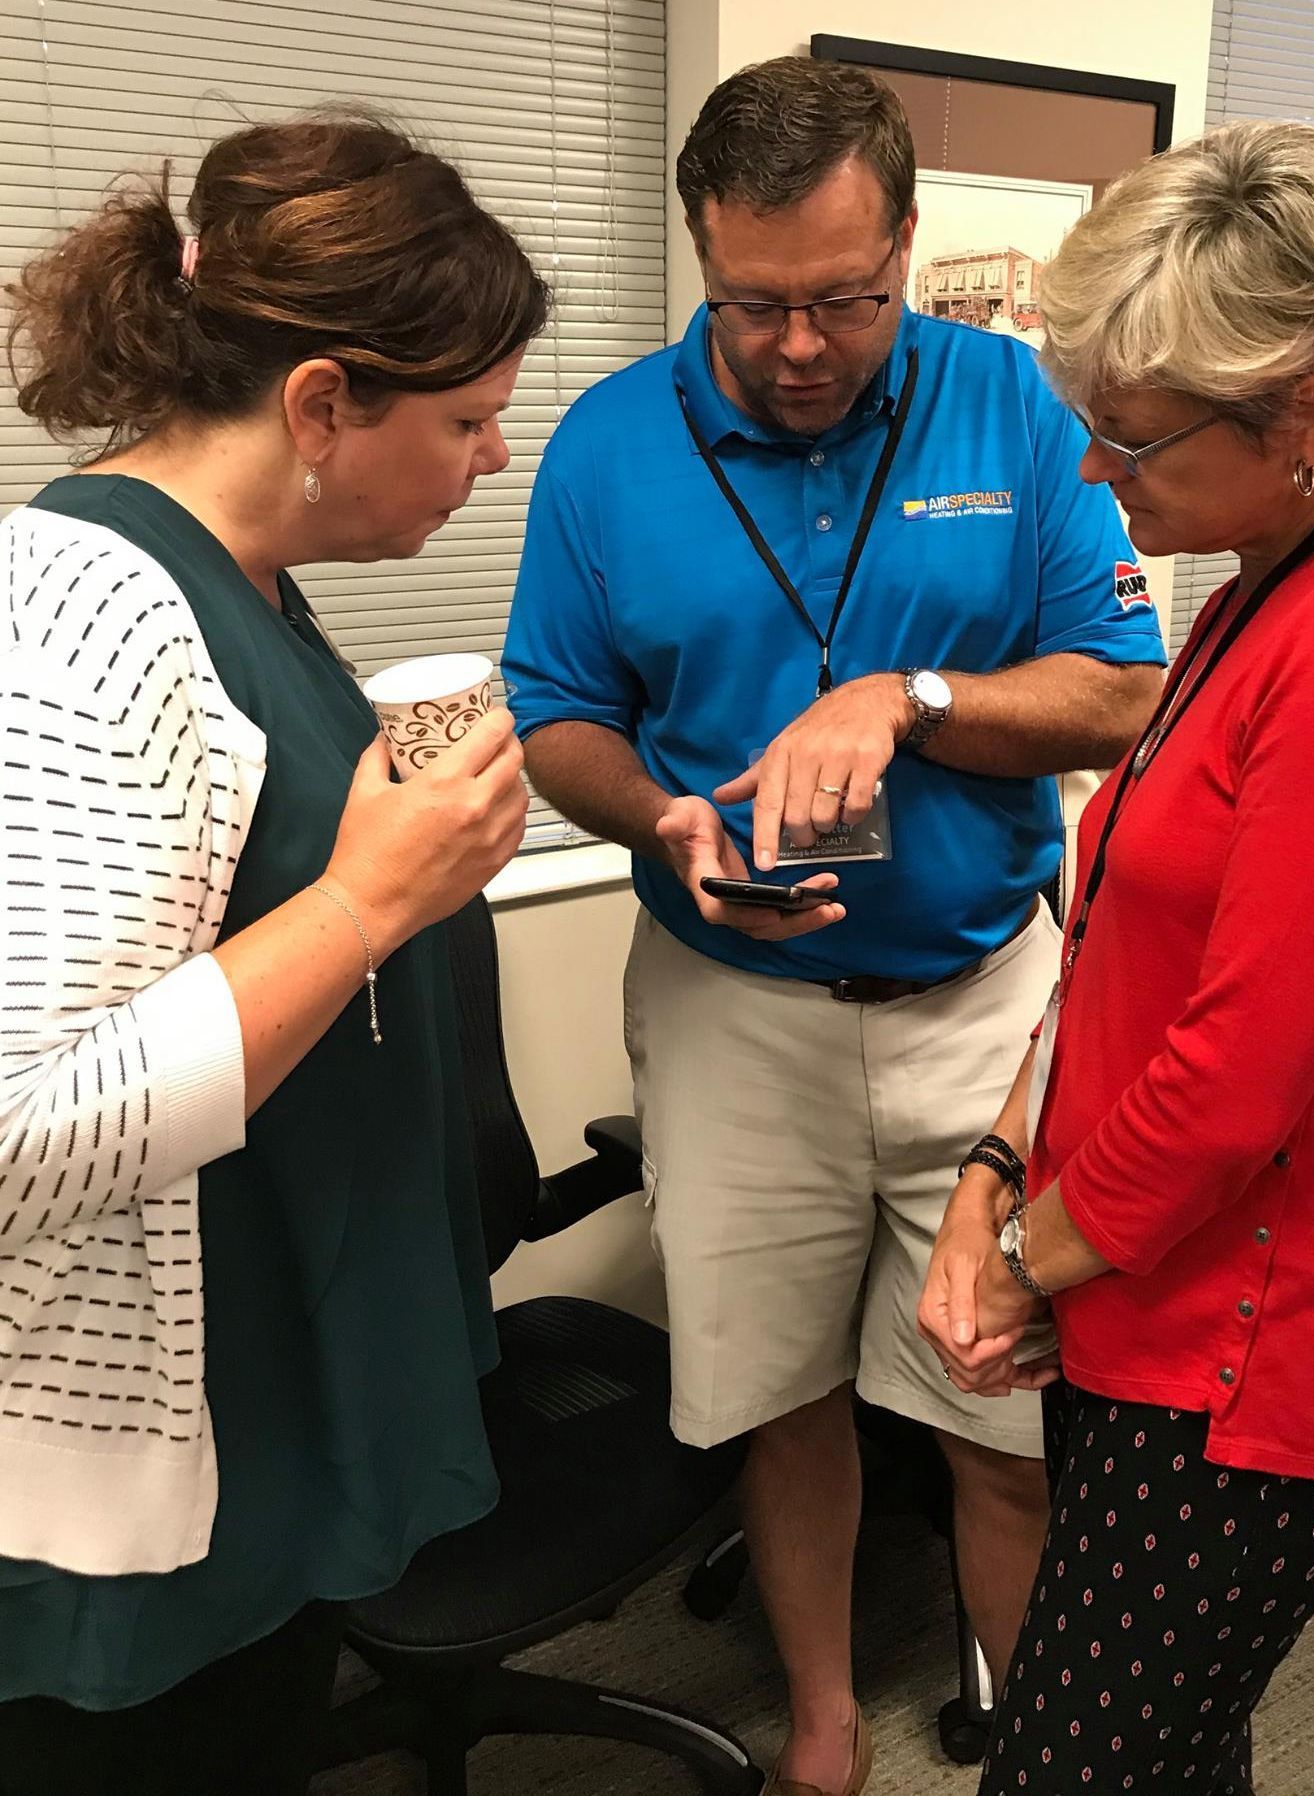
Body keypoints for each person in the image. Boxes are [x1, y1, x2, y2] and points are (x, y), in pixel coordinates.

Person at [503, 56, 1165, 1796]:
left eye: (845, 303)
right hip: (734, 1003)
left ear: (908, 246)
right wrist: (657, 816)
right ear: (703, 260)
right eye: (754, 306)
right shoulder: (607, 443)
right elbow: (559, 708)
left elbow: (1121, 693)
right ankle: (818, 1724)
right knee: (780, 1400)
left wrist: (914, 697)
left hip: (978, 994)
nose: (799, 347)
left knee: (1000, 1412)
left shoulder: (1019, 412)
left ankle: (1038, 1747)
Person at [918, 119, 1314, 1796]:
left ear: (1306, 415)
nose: (1103, 478)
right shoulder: (1264, 576)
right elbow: (1122, 931)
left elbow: (1237, 1070)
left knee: (1076, 1767)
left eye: (1133, 441)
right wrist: (995, 1164)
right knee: (1168, 1752)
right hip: (1156, 1288)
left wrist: (1014, 1263)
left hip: (1266, 1340)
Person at [0, 114, 546, 1794]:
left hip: (276, 1388)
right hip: (146, 1459)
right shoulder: (84, 614)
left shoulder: (249, 581)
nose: (492, 458)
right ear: (322, 404)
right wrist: (372, 902)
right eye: (465, 419)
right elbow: (19, 1133)